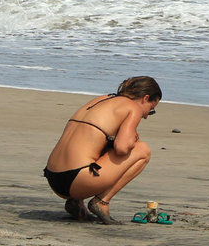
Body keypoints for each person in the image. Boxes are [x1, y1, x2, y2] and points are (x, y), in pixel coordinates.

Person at [43, 76, 160, 224]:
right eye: (151, 110)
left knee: (100, 143)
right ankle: (101, 202)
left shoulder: (102, 99)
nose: (146, 117)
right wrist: (133, 140)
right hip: (76, 179)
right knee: (143, 150)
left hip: (53, 177)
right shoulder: (133, 107)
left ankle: (76, 202)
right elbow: (122, 148)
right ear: (145, 98)